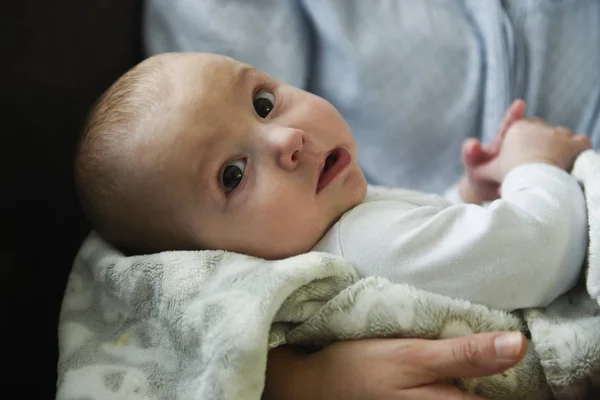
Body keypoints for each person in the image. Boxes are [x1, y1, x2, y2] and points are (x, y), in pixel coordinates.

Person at [75, 52, 589, 398]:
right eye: (232, 175)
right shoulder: (362, 241)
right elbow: (541, 251)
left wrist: (469, 197)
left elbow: (443, 263)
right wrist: (533, 167)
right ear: (210, 257)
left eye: (263, 103)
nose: (287, 138)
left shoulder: (339, 220)